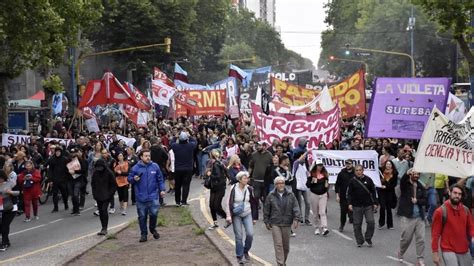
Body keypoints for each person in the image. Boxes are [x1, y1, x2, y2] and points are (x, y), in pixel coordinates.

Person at [128, 150, 166, 242]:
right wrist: (134, 179)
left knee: (154, 214)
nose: (148, 158)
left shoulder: (155, 166)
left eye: (149, 156)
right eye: (146, 156)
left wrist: (162, 189)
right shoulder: (136, 168)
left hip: (153, 196)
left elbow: (160, 179)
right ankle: (143, 234)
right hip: (141, 197)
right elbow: (129, 179)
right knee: (142, 216)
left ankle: (152, 229)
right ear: (141, 157)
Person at [431, 185, 473, 266]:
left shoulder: (466, 210)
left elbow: (471, 226)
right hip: (448, 249)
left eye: (459, 194)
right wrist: (435, 252)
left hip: (464, 248)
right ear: (449, 193)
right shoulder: (440, 211)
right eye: (455, 193)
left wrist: (473, 236)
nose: (457, 195)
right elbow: (435, 234)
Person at [263, 176, 301, 266]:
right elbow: (266, 209)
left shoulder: (290, 195)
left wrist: (296, 219)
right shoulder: (271, 195)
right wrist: (266, 221)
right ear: (275, 185)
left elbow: (296, 207)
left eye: (282, 183)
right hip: (275, 222)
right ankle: (280, 264)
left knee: (286, 247)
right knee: (278, 244)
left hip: (287, 223)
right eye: (278, 183)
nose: (280, 185)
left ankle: (283, 262)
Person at [225, 171, 258, 264]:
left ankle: (245, 250)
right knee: (239, 236)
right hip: (236, 215)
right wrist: (228, 216)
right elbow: (228, 202)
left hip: (247, 213)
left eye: (247, 178)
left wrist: (254, 217)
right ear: (239, 180)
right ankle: (239, 255)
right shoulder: (233, 188)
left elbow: (254, 203)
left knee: (250, 234)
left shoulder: (249, 189)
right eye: (244, 178)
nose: (246, 180)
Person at [397, 169, 427, 265]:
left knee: (421, 239)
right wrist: (406, 173)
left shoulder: (420, 186)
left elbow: (425, 200)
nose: (416, 175)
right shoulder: (405, 185)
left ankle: (420, 259)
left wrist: (417, 201)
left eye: (418, 174)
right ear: (411, 174)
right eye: (414, 173)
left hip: (419, 217)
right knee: (406, 238)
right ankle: (401, 253)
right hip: (407, 216)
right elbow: (402, 182)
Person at [347, 165, 378, 247]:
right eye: (357, 170)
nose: (358, 172)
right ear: (355, 172)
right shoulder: (352, 181)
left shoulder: (368, 180)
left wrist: (375, 203)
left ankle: (368, 238)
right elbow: (349, 193)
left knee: (371, 222)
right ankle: (359, 240)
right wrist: (349, 203)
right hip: (356, 206)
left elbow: (373, 192)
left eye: (360, 170)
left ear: (363, 170)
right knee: (357, 224)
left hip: (368, 205)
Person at [171, 131, 197, 206]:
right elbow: (195, 141)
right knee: (186, 185)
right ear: (186, 139)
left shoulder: (175, 146)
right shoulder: (190, 146)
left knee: (178, 186)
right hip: (188, 169)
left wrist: (175, 136)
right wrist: (190, 136)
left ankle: (177, 201)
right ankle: (184, 201)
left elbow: (171, 143)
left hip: (178, 169)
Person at [91, 159, 116, 235]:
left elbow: (113, 185)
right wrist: (94, 194)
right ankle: (103, 227)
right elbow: (93, 184)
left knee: (104, 210)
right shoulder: (95, 173)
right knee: (101, 212)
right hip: (98, 195)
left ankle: (105, 228)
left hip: (107, 196)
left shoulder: (109, 173)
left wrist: (110, 194)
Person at [306, 159, 330, 236]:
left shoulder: (325, 174)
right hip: (314, 194)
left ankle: (324, 228)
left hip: (323, 194)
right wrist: (312, 182)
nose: (320, 167)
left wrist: (326, 187)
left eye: (321, 165)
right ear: (315, 166)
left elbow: (327, 183)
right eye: (318, 165)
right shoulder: (311, 174)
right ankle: (316, 227)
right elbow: (308, 185)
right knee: (315, 213)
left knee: (322, 212)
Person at [206, 149, 228, 230]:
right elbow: (207, 171)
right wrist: (208, 172)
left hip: (220, 186)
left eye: (216, 153)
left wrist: (210, 174)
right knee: (211, 205)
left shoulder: (223, 162)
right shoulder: (210, 162)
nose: (215, 155)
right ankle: (215, 222)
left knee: (217, 205)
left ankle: (227, 218)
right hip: (213, 186)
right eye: (213, 154)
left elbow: (221, 175)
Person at [45, 146, 70, 212]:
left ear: (61, 152)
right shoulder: (52, 159)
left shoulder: (65, 159)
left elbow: (68, 168)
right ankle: (55, 207)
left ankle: (66, 204)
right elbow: (50, 170)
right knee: (54, 194)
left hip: (63, 180)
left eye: (59, 151)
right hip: (55, 180)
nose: (57, 153)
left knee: (64, 194)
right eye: (56, 151)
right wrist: (50, 180)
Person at [0, 170, 19, 251]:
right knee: (1, 227)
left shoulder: (11, 183)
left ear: (3, 177)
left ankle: (4, 244)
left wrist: (10, 192)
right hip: (1, 209)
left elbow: (18, 192)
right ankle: (6, 241)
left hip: (11, 208)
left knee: (4, 225)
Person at [292, 151, 311, 226]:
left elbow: (307, 174)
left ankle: (307, 219)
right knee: (299, 203)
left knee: (308, 203)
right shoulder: (296, 164)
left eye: (305, 157)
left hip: (305, 186)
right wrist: (306, 152)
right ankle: (300, 219)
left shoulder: (305, 165)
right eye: (303, 156)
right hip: (298, 186)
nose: (305, 158)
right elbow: (298, 160)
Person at [377, 160, 398, 230]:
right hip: (382, 192)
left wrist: (387, 187)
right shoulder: (381, 172)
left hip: (390, 192)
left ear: (392, 165)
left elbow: (394, 184)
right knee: (382, 207)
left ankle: (390, 225)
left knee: (388, 208)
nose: (388, 165)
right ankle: (381, 223)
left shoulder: (394, 173)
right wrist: (381, 185)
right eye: (387, 164)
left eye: (389, 164)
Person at [335, 159, 354, 232]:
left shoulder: (355, 173)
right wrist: (337, 194)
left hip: (353, 197)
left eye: (349, 163)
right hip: (343, 197)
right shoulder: (341, 173)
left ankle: (353, 222)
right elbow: (337, 184)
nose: (347, 165)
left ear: (352, 164)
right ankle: (342, 225)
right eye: (346, 164)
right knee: (343, 212)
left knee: (353, 213)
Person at [67, 148, 87, 216]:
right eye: (72, 153)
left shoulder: (81, 160)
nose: (73, 154)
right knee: (72, 195)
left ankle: (77, 209)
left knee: (76, 194)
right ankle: (75, 209)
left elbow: (84, 170)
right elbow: (65, 169)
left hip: (78, 180)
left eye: (74, 152)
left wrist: (75, 171)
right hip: (70, 180)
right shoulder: (68, 160)